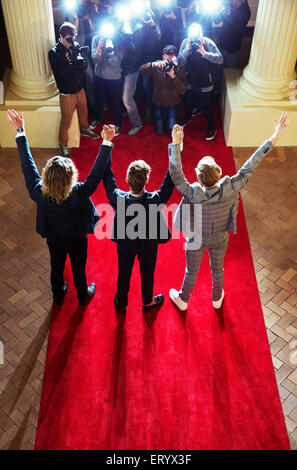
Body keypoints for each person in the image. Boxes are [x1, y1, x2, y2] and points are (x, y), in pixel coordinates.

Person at [167, 113, 290, 311]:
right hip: (220, 238)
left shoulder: (193, 193)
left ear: (199, 178)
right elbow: (251, 164)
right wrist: (274, 136)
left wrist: (175, 143)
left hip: (196, 239)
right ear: (218, 173)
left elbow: (176, 175)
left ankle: (183, 299)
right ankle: (217, 299)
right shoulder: (231, 187)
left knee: (191, 271)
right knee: (217, 269)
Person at [7, 109, 115, 306]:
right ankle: (83, 295)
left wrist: (20, 131)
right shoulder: (81, 192)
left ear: (46, 176)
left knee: (56, 267)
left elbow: (27, 165)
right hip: (77, 238)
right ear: (71, 176)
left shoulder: (38, 192)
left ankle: (58, 295)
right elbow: (98, 172)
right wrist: (106, 142)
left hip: (54, 237)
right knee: (78, 268)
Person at [103, 138, 175, 315]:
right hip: (148, 246)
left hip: (125, 245)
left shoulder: (117, 198)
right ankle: (148, 302)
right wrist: (176, 147)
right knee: (147, 274)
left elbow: (107, 177)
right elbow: (171, 178)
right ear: (147, 180)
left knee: (123, 274)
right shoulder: (155, 200)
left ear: (127, 179)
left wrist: (106, 143)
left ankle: (121, 303)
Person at [48, 22, 99, 159]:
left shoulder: (75, 45)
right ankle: (63, 145)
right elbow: (60, 73)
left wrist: (80, 63)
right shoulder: (53, 52)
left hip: (79, 88)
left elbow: (83, 65)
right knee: (66, 120)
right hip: (66, 92)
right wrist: (72, 64)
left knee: (84, 111)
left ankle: (84, 129)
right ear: (61, 36)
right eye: (68, 39)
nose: (71, 43)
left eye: (73, 39)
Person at [178, 23, 223, 141]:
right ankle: (188, 116)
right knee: (188, 101)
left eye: (196, 34)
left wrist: (204, 53)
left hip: (205, 79)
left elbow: (220, 59)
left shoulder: (207, 42)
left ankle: (212, 127)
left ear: (201, 34)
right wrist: (186, 51)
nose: (194, 38)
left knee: (205, 105)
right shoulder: (185, 43)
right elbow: (180, 62)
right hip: (190, 78)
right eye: (191, 34)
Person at [121, 2, 161, 136]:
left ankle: (137, 122)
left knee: (131, 95)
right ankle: (131, 111)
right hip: (124, 63)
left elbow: (156, 37)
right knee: (129, 94)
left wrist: (151, 24)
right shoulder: (129, 18)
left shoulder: (149, 20)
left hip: (137, 63)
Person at [140, 45, 187, 135]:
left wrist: (173, 77)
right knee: (159, 132)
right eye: (167, 60)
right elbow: (142, 70)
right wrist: (153, 64)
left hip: (173, 103)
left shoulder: (180, 67)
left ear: (175, 58)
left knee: (172, 130)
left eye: (171, 60)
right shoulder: (157, 65)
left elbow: (184, 89)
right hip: (158, 101)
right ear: (163, 57)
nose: (169, 63)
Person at [90, 33, 124, 135]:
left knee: (116, 101)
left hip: (114, 77)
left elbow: (116, 63)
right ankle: (97, 118)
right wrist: (100, 47)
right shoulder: (96, 38)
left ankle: (118, 124)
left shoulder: (119, 40)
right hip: (99, 76)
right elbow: (96, 60)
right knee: (99, 100)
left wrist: (111, 51)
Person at [214, 0, 251, 68]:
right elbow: (216, 21)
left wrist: (224, 9)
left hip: (233, 50)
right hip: (221, 46)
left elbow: (236, 16)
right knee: (218, 70)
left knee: (232, 71)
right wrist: (216, 10)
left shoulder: (245, 10)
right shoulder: (229, 5)